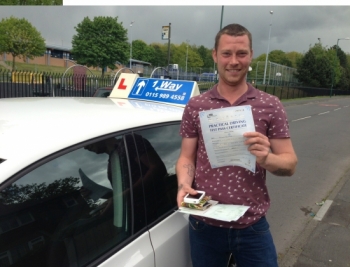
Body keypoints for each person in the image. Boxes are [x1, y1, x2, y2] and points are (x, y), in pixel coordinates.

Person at [176, 23, 298, 267]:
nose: (234, 61)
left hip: (251, 225)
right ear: (215, 55)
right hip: (204, 223)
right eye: (226, 53)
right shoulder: (196, 105)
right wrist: (183, 185)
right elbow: (187, 157)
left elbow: (290, 163)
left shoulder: (270, 104)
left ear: (251, 55)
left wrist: (267, 159)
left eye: (241, 53)